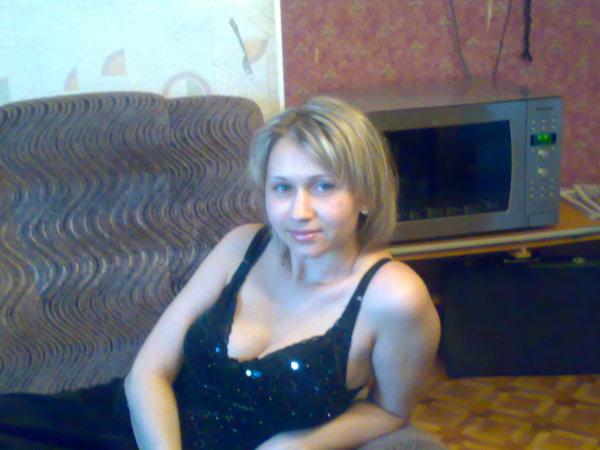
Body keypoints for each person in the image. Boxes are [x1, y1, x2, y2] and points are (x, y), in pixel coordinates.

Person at [0, 96, 440, 449]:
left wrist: (299, 444)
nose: (298, 211)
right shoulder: (241, 246)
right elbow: (148, 372)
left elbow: (389, 411)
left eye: (323, 186)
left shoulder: (394, 299)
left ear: (366, 195)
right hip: (134, 429)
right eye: (282, 188)